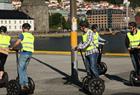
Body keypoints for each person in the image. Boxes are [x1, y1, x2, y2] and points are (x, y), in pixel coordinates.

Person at [10, 23, 34, 90]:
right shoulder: (31, 36)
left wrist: (12, 47)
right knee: (24, 69)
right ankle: (26, 83)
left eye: (22, 28)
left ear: (23, 28)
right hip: (30, 54)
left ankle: (22, 85)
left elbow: (18, 42)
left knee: (20, 69)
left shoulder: (22, 34)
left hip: (24, 53)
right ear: (28, 29)